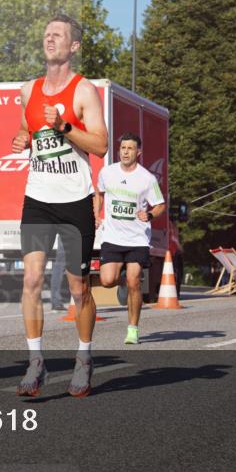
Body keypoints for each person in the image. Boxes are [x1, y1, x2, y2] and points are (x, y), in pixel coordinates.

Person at [12, 15, 109, 397]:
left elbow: (101, 145)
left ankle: (84, 358)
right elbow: (26, 127)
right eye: (47, 35)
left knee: (79, 288)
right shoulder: (28, 90)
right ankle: (36, 361)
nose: (50, 39)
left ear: (74, 47)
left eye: (59, 35)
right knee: (31, 280)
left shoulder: (84, 91)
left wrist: (65, 127)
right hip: (38, 198)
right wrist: (23, 138)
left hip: (74, 201)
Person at [94, 132, 165, 345]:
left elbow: (160, 204)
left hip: (137, 239)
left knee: (135, 280)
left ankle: (132, 329)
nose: (125, 152)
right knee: (107, 281)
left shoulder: (147, 178)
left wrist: (150, 214)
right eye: (123, 148)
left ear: (138, 152)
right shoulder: (107, 172)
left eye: (130, 148)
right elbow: (99, 193)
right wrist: (96, 214)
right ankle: (122, 282)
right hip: (113, 236)